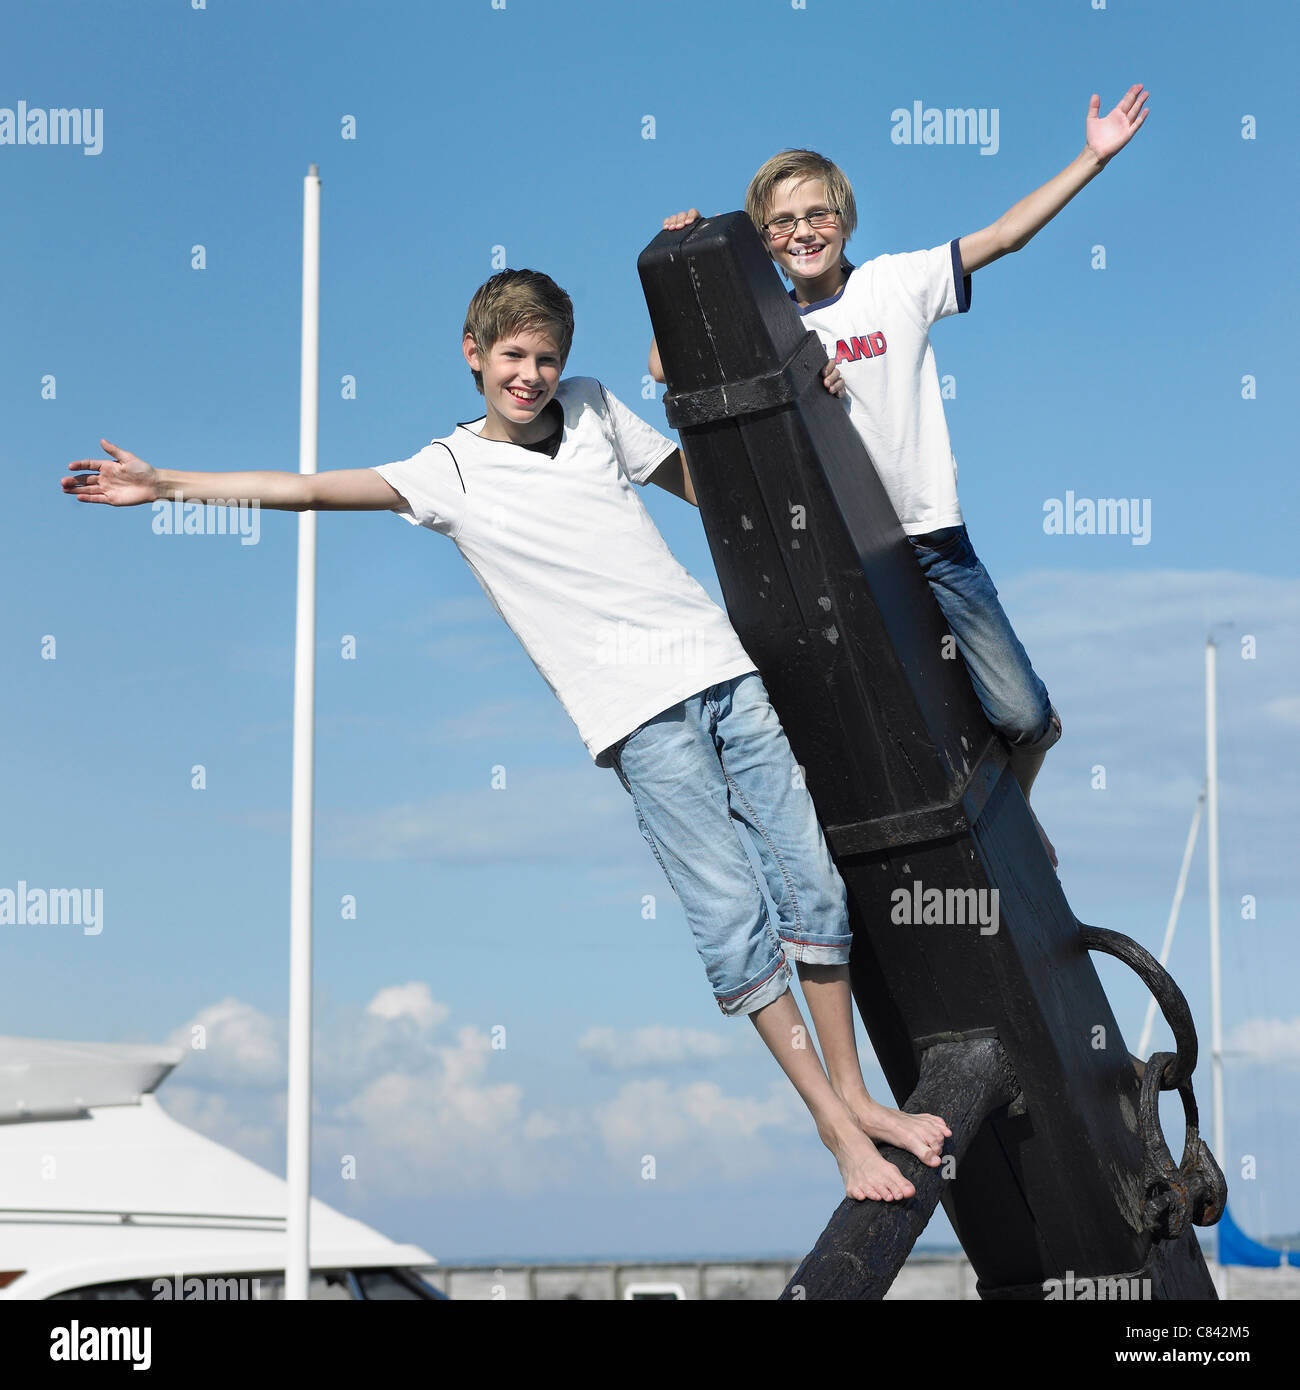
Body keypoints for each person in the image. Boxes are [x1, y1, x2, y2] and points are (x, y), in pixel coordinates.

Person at [61, 267, 950, 1204]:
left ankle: (862, 1098)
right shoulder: (446, 472)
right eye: (514, 357)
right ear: (474, 354)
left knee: (811, 880)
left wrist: (796, 439)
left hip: (723, 670)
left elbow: (706, 486)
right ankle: (831, 1126)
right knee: (734, 921)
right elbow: (310, 487)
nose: (530, 375)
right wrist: (168, 485)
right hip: (637, 717)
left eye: (547, 357)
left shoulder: (599, 408)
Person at [649, 86, 1152, 868]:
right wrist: (687, 259)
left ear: (844, 219)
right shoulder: (770, 325)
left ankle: (1012, 819)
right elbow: (662, 362)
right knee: (876, 739)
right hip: (846, 554)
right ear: (764, 243)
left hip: (931, 538)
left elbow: (1005, 236)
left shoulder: (897, 283)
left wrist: (1092, 156)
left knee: (1022, 715)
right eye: (781, 223)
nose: (803, 231)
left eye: (817, 214)